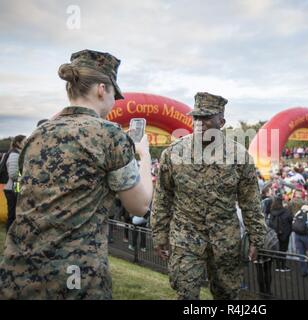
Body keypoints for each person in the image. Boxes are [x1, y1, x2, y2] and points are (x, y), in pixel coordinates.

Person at [0, 50, 153, 299]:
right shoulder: (109, 134)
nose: (115, 102)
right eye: (115, 94)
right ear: (102, 89)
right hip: (75, 277)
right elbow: (139, 205)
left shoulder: (35, 136)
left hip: (19, 272)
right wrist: (144, 156)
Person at [151, 92, 266, 300]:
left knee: (227, 293)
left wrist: (257, 237)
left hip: (225, 236)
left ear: (221, 121)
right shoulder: (174, 153)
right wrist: (159, 234)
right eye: (196, 117)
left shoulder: (239, 156)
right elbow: (162, 196)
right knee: (185, 292)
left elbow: (250, 201)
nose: (200, 123)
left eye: (206, 118)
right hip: (185, 233)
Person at [3, 135, 26, 232]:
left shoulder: (18, 153)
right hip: (13, 187)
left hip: (15, 187)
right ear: (18, 143)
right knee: (12, 214)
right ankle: (10, 234)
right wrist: (25, 178)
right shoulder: (14, 155)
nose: (26, 143)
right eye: (24, 141)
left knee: (16, 213)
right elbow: (13, 174)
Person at [268, 195, 293, 272]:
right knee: (283, 250)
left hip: (275, 233)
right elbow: (290, 219)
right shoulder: (286, 211)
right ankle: (282, 266)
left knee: (277, 250)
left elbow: (270, 222)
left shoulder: (272, 211)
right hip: (285, 234)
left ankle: (278, 266)